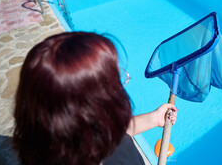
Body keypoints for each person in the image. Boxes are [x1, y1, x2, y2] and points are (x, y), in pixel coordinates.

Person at [13, 32, 177, 165]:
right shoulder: (120, 159)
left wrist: (154, 119)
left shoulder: (47, 143)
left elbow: (108, 132)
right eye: (113, 82)